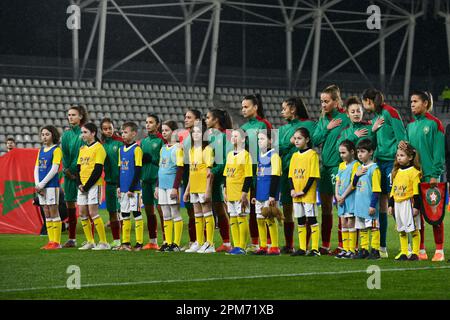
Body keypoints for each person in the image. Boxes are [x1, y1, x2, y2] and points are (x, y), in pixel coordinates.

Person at [399, 91, 445, 261]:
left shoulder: (435, 124)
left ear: (425, 103)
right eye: (411, 101)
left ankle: (439, 251)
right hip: (414, 178)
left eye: (416, 101)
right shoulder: (410, 126)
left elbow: (438, 152)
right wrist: (402, 144)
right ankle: (422, 250)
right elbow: (407, 153)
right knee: (416, 215)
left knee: (435, 214)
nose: (412, 104)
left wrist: (435, 174)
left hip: (430, 177)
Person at [362, 88, 406, 258]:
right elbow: (371, 144)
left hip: (391, 163)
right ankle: (382, 247)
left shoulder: (390, 112)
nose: (364, 106)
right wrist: (372, 131)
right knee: (381, 203)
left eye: (364, 102)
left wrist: (400, 162)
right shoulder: (375, 117)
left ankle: (407, 244)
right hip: (379, 162)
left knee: (394, 203)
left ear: (368, 100)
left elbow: (401, 137)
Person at [312, 85, 349, 255]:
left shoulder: (345, 118)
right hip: (325, 168)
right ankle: (325, 245)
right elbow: (314, 140)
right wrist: (327, 128)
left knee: (341, 205)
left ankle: (343, 245)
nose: (323, 105)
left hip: (338, 167)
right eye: (322, 102)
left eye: (326, 101)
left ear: (336, 101)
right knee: (326, 207)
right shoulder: (323, 120)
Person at [278, 96, 316, 254]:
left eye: (284, 108)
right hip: (286, 172)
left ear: (293, 109)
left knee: (306, 210)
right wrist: (289, 143)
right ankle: (289, 245)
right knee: (287, 209)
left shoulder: (308, 125)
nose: (282, 112)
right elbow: (277, 149)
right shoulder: (281, 129)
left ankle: (306, 246)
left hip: (304, 173)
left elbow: (314, 141)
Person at [240, 93, 272, 252]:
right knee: (252, 209)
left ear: (255, 107)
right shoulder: (244, 128)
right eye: (242, 107)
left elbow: (271, 150)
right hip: (248, 172)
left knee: (265, 208)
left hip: (262, 172)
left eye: (246, 107)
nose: (243, 110)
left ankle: (268, 243)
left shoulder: (264, 124)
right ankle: (255, 243)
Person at [76, 123, 110, 250]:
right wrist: (79, 184)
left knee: (93, 212)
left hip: (94, 185)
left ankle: (103, 242)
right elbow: (78, 168)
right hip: (82, 186)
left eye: (85, 132)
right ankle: (90, 241)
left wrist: (86, 186)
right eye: (82, 132)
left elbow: (97, 170)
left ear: (93, 133)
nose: (82, 135)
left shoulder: (99, 148)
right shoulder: (82, 149)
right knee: (82, 213)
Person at [183, 120, 215, 253]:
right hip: (194, 186)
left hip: (203, 186)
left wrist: (208, 190)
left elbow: (210, 172)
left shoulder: (207, 150)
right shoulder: (191, 150)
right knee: (197, 214)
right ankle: (199, 241)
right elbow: (192, 171)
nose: (195, 134)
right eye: (193, 131)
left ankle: (210, 243)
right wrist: (187, 190)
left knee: (207, 212)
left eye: (198, 132)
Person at [289, 128, 321, 256]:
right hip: (296, 193)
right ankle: (302, 248)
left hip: (307, 194)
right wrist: (292, 189)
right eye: (295, 138)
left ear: (307, 139)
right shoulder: (294, 155)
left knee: (312, 219)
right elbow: (291, 175)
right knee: (300, 220)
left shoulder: (312, 154)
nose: (296, 141)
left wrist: (303, 191)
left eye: (299, 138)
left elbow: (313, 176)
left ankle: (315, 249)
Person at [388, 144, 422, 261]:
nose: (399, 158)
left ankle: (415, 253)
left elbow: (417, 192)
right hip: (398, 203)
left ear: (410, 157)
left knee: (413, 229)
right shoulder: (396, 172)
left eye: (402, 155)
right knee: (401, 229)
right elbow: (393, 190)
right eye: (397, 155)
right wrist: (390, 205)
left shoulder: (414, 172)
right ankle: (403, 252)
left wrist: (416, 207)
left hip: (409, 203)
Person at [205, 109, 232, 252]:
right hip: (209, 175)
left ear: (216, 120)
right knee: (215, 209)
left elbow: (224, 160)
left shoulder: (223, 136)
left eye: (208, 117)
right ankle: (222, 242)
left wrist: (212, 171)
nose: (206, 120)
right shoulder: (210, 136)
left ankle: (228, 242)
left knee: (220, 209)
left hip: (218, 176)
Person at [251, 129, 282, 255]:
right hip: (260, 194)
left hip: (269, 194)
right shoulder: (259, 156)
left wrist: (272, 196)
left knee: (270, 219)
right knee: (259, 219)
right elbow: (258, 177)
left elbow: (275, 177)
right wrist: (254, 195)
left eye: (262, 139)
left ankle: (274, 246)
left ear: (271, 140)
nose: (259, 142)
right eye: (258, 139)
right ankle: (263, 246)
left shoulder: (274, 155)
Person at [61, 105, 88, 248]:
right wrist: (67, 170)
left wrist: (76, 172)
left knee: (87, 207)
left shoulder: (84, 133)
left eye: (73, 114)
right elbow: (64, 154)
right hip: (69, 175)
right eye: (69, 115)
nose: (70, 117)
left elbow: (85, 153)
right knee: (70, 204)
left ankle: (90, 239)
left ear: (81, 116)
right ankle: (72, 238)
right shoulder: (65, 135)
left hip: (83, 174)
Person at [115, 122, 144, 251]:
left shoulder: (137, 149)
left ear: (133, 133)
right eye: (122, 132)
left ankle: (139, 243)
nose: (123, 135)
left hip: (134, 190)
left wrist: (132, 188)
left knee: (137, 214)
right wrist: (118, 186)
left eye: (126, 132)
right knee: (124, 214)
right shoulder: (121, 150)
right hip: (123, 189)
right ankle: (125, 242)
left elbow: (138, 170)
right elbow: (119, 168)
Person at [155, 121, 184, 252]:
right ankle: (167, 241)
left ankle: (176, 243)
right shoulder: (163, 148)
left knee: (175, 212)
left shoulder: (177, 148)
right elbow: (160, 167)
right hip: (162, 185)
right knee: (165, 214)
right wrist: (157, 186)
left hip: (172, 185)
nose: (164, 133)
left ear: (174, 132)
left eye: (166, 130)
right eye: (162, 130)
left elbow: (180, 168)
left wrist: (175, 187)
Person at [223, 129, 253, 255]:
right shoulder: (230, 154)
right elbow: (226, 174)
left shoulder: (246, 155)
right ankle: (235, 246)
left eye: (236, 136)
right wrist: (224, 189)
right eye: (232, 135)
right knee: (233, 218)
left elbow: (248, 176)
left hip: (240, 192)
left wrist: (244, 193)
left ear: (243, 139)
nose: (233, 137)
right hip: (230, 191)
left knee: (241, 217)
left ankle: (242, 246)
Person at [352, 139, 382, 259]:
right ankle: (363, 249)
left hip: (369, 205)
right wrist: (356, 175)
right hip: (359, 205)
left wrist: (372, 205)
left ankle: (375, 250)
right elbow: (354, 184)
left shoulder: (374, 169)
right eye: (358, 151)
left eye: (363, 151)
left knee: (374, 227)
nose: (359, 154)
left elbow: (376, 190)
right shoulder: (359, 168)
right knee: (362, 228)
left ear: (370, 152)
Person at [35, 126, 63, 250]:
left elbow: (54, 169)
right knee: (46, 212)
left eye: (47, 134)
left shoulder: (56, 150)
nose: (44, 137)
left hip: (51, 186)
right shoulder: (40, 150)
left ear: (53, 135)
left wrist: (42, 184)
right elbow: (36, 168)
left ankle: (57, 242)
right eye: (43, 134)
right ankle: (50, 241)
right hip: (41, 187)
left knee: (53, 211)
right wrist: (37, 184)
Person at [140, 114, 166, 250]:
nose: (148, 125)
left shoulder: (161, 140)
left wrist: (153, 160)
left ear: (157, 125)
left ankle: (166, 241)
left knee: (161, 211)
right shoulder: (143, 142)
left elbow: (164, 160)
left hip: (157, 180)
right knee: (149, 211)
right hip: (145, 179)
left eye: (151, 122)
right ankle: (153, 240)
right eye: (146, 122)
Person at [180, 109, 202, 251]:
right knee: (190, 209)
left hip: (198, 173)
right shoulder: (186, 137)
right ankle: (193, 240)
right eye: (185, 117)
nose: (186, 119)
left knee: (202, 209)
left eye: (189, 117)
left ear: (197, 120)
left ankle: (204, 240)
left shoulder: (201, 137)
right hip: (188, 173)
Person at [100, 118, 123, 249]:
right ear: (102, 130)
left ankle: (124, 241)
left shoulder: (120, 143)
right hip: (109, 183)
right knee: (112, 213)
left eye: (110, 128)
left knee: (123, 213)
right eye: (105, 129)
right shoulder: (102, 145)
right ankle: (116, 240)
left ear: (114, 128)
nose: (108, 131)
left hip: (121, 184)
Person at [335, 140, 360, 259]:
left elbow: (353, 183)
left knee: (351, 221)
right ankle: (345, 249)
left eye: (343, 153)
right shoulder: (341, 165)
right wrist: (337, 195)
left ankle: (352, 249)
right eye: (340, 153)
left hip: (350, 198)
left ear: (352, 152)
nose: (341, 155)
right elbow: (338, 182)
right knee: (343, 222)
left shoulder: (356, 165)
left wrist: (343, 196)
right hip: (341, 198)